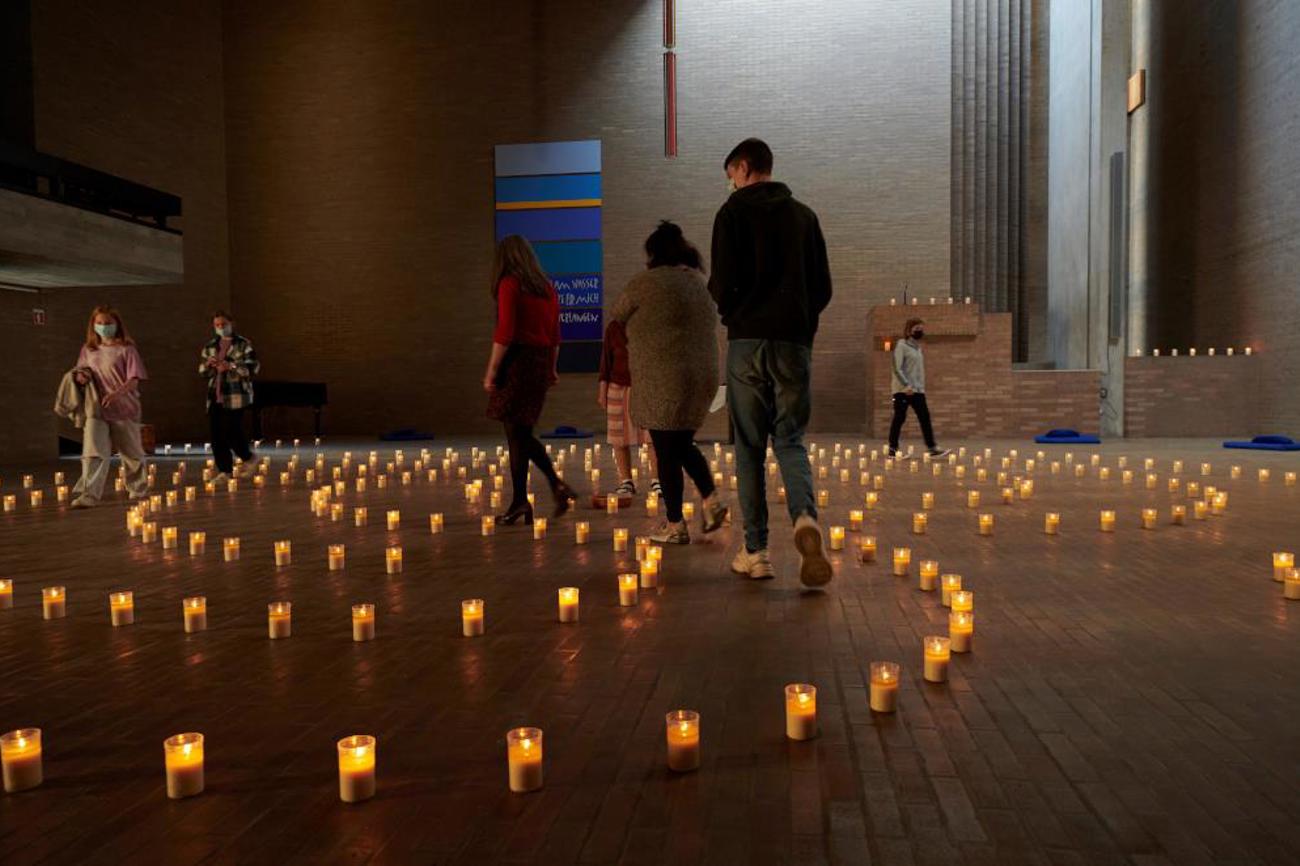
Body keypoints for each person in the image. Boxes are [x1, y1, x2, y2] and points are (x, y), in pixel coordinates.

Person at [708, 138, 833, 584]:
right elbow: (822, 287)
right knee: (790, 440)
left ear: (744, 167)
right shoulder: (804, 217)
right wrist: (800, 324)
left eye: (731, 176)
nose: (731, 184)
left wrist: (735, 315)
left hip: (747, 342)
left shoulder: (732, 213)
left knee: (748, 447)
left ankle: (756, 551)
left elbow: (721, 282)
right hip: (793, 343)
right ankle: (804, 518)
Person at [610, 222, 728, 544]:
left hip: (663, 378)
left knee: (666, 449)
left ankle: (675, 525)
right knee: (682, 443)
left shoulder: (644, 283)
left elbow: (617, 317)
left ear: (653, 254)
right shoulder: (697, 284)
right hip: (701, 377)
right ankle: (711, 500)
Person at [483, 234, 578, 523]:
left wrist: (492, 370)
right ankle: (534, 495)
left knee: (517, 434)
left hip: (517, 361)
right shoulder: (547, 288)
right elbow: (555, 336)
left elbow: (505, 332)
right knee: (521, 433)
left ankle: (530, 496)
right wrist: (551, 368)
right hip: (538, 362)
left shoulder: (510, 284)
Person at [70, 305, 149, 508]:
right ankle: (89, 494)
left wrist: (116, 394)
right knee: (93, 453)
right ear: (93, 325)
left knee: (131, 453)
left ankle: (137, 489)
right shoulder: (88, 350)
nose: (104, 327)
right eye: (100, 323)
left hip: (124, 407)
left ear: (117, 324)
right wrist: (81, 377)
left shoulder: (127, 349)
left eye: (108, 323)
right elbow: (80, 370)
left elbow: (134, 380)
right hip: (96, 409)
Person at [597, 320, 660, 499]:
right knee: (618, 438)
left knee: (652, 437)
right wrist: (602, 391)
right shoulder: (614, 327)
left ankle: (657, 480)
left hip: (647, 386)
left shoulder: (650, 322)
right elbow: (606, 362)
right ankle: (626, 481)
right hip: (618, 386)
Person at [199, 310, 261, 484]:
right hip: (215, 395)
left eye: (223, 324)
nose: (220, 327)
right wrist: (209, 365)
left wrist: (231, 366)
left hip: (235, 396)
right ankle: (224, 470)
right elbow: (202, 372)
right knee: (216, 435)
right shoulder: (210, 346)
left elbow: (253, 368)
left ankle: (248, 457)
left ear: (231, 324)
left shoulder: (243, 344)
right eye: (217, 325)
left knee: (231, 431)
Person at [888, 318, 950, 459]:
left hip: (918, 390)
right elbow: (897, 368)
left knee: (924, 417)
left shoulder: (918, 349)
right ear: (909, 330)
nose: (920, 331)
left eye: (921, 329)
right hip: (903, 390)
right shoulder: (901, 345)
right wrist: (906, 385)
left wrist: (920, 387)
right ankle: (893, 449)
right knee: (899, 418)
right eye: (917, 328)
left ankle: (932, 448)